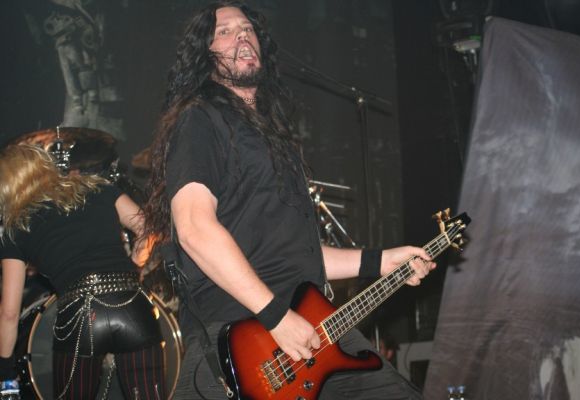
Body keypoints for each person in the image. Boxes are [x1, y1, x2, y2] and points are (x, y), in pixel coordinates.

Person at [144, 1, 435, 398]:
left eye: (247, 29)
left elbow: (296, 254)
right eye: (224, 32)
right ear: (204, 55)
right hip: (243, 339)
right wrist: (275, 315)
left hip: (310, 326)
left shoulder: (273, 137)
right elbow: (194, 228)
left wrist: (383, 261)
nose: (241, 36)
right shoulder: (200, 119)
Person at [0, 144, 166, 399]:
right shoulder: (98, 187)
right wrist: (135, 266)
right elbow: (148, 228)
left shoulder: (16, 227)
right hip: (132, 305)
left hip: (81, 316)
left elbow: (9, 313)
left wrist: (5, 369)